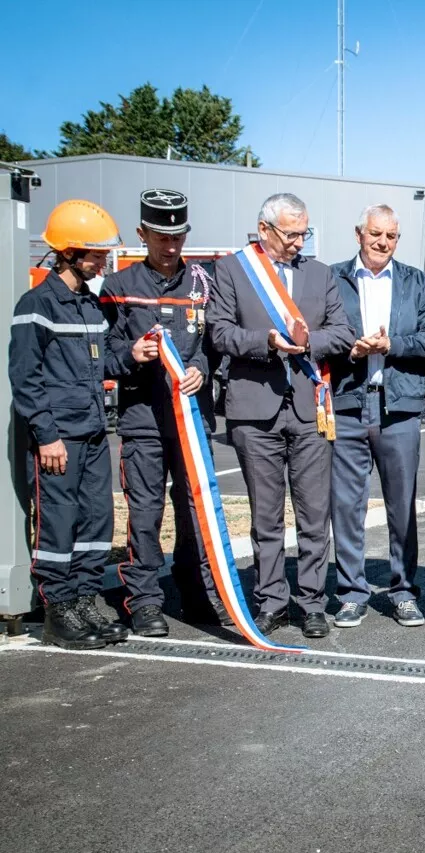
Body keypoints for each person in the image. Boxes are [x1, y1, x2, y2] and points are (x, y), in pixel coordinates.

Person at [207, 193, 355, 639]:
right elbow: (219, 331)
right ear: (265, 229)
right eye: (291, 234)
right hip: (255, 408)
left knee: (314, 516)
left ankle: (311, 601)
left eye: (303, 233)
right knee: (265, 516)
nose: (298, 241)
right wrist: (266, 341)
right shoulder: (233, 269)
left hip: (310, 410)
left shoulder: (319, 273)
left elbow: (343, 332)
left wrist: (308, 343)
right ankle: (271, 600)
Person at [99, 189, 225, 637]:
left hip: (191, 422)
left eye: (177, 237)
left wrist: (202, 370)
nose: (170, 247)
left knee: (196, 511)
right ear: (141, 234)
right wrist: (131, 353)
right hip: (142, 422)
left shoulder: (204, 283)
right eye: (160, 237)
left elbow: (216, 346)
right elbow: (101, 354)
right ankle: (147, 602)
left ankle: (198, 596)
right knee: (145, 514)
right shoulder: (118, 288)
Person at [9, 200, 132, 649]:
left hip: (94, 430)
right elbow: (25, 377)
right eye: (94, 254)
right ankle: (58, 608)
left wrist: (131, 357)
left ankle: (83, 598)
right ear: (66, 253)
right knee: (59, 522)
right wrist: (47, 436)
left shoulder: (88, 304)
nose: (102, 261)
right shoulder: (37, 304)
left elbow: (99, 365)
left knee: (96, 518)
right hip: (59, 437)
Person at [328, 204, 425, 629]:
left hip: (400, 408)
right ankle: (352, 593)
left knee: (401, 505)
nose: (382, 242)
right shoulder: (333, 278)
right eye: (375, 233)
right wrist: (350, 349)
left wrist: (391, 343)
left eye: (391, 236)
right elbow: (319, 331)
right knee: (347, 505)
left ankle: (403, 591)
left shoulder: (416, 282)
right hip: (348, 403)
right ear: (359, 233)